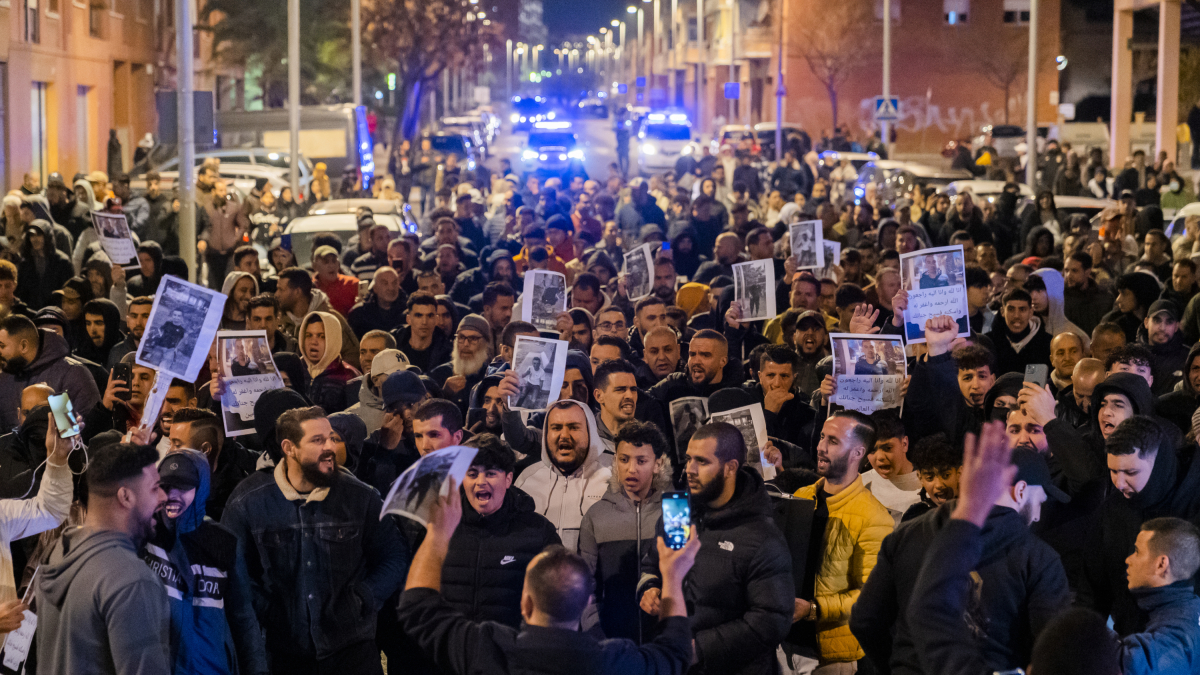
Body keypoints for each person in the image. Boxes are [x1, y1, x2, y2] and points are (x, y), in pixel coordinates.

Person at [396, 477, 697, 675]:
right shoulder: (614, 662)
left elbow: (416, 608)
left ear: (525, 603)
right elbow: (676, 652)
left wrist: (437, 535)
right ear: (585, 604)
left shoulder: (488, 649)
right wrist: (671, 575)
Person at [851, 444, 1071, 675]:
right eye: (1040, 501)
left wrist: (897, 666)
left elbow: (865, 621)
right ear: (1022, 490)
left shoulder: (905, 535)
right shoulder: (1039, 558)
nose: (1037, 514)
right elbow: (1052, 653)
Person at [220, 406, 407, 672]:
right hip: (284, 654)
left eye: (331, 437)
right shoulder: (249, 501)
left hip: (351, 652)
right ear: (289, 447)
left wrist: (363, 598)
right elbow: (234, 571)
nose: (330, 446)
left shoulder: (361, 497)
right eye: (317, 440)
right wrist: (267, 610)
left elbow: (394, 557)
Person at [638, 422, 793, 675]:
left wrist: (700, 648)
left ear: (730, 467)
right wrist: (649, 587)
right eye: (688, 459)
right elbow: (650, 564)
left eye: (702, 461)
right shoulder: (677, 514)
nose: (690, 469)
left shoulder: (762, 536)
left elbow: (771, 620)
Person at [37, 441, 170, 675]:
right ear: (125, 496)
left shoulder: (57, 552)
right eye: (154, 488)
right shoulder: (131, 580)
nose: (163, 497)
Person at [142, 449, 267, 674]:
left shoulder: (222, 542)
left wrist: (256, 670)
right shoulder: (146, 533)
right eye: (166, 486)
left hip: (210, 666)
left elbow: (243, 617)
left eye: (184, 487)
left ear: (201, 489)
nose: (172, 495)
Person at [439, 433, 561, 627]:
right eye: (472, 473)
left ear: (508, 479)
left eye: (490, 473)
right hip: (452, 652)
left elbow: (556, 598)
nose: (480, 481)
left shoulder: (538, 531)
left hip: (511, 652)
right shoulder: (441, 527)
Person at [579, 420, 672, 641]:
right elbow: (586, 586)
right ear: (615, 461)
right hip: (613, 643)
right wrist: (596, 635)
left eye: (641, 461)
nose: (631, 469)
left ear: (657, 464)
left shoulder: (675, 514)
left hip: (665, 643)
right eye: (624, 459)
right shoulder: (595, 516)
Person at [514, 399, 612, 550]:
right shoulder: (526, 480)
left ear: (590, 433)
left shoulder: (612, 480)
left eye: (573, 427)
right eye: (556, 427)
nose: (564, 435)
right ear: (546, 433)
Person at [1120, 517, 1200, 675]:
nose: (1128, 560)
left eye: (1137, 552)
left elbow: (1137, 665)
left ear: (1161, 564)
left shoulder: (1175, 638)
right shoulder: (1190, 607)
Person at [0, 315, 100, 429]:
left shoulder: (73, 373)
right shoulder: (4, 378)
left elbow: (89, 431)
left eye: (2, 346)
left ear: (23, 346)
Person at [274, 267, 361, 370]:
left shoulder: (330, 319)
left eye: (281, 290)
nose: (276, 294)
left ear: (297, 292)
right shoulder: (278, 320)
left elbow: (352, 354)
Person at [297, 311, 359, 414]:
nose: (313, 341)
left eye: (321, 336)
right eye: (309, 335)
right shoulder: (294, 370)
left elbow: (353, 421)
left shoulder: (349, 375)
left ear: (333, 339)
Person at [986, 288, 1052, 376]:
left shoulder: (1048, 343)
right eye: (1011, 309)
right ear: (1002, 311)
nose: (1016, 315)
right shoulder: (989, 343)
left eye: (1022, 309)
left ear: (1030, 312)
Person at [392, 292, 453, 374]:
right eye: (418, 315)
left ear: (436, 319)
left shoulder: (448, 354)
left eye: (430, 316)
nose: (424, 322)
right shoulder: (393, 345)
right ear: (408, 319)